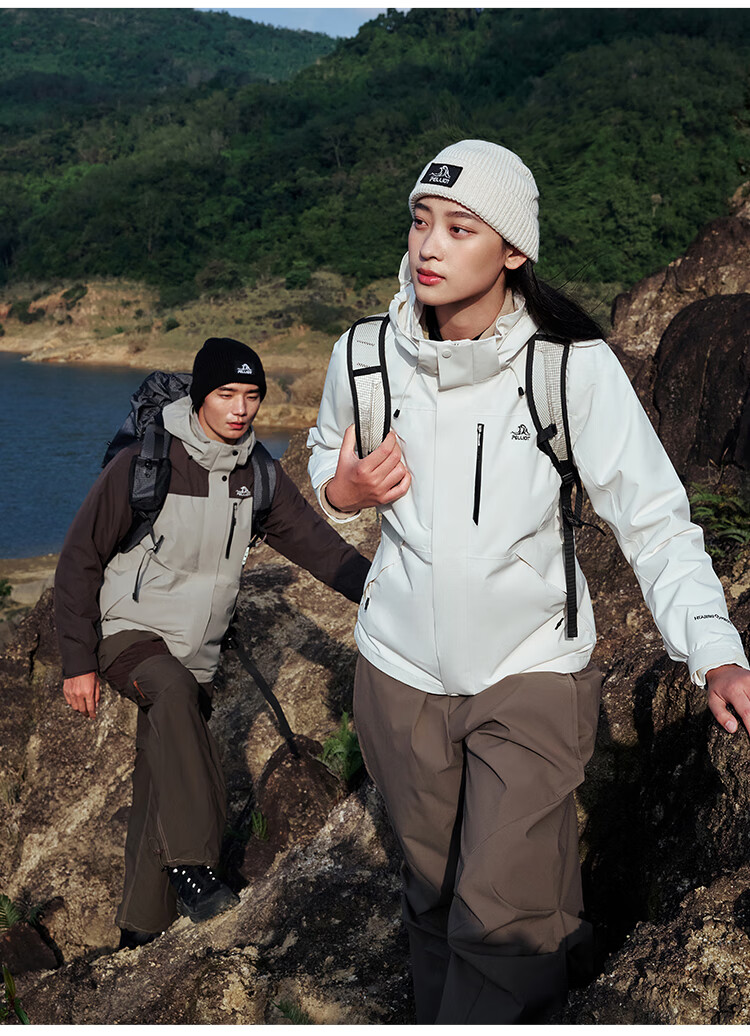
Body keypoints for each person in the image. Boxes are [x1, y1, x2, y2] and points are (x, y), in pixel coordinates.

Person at [307, 139, 750, 1023]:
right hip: (398, 675)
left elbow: (654, 520)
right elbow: (329, 461)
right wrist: (344, 490)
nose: (429, 246)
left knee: (499, 917)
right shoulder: (364, 355)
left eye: (459, 228)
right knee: (433, 898)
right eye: (421, 221)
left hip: (530, 669)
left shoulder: (568, 368)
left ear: (513, 250)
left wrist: (714, 650)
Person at [55, 337, 371, 951]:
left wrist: (385, 592)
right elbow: (79, 556)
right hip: (127, 631)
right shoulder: (148, 461)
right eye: (227, 394)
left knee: (160, 777)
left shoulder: (259, 475)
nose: (241, 408)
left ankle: (139, 930)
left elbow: (321, 549)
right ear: (202, 396)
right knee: (171, 692)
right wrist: (77, 661)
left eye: (252, 396)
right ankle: (194, 869)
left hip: (195, 652)